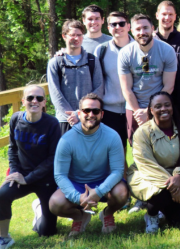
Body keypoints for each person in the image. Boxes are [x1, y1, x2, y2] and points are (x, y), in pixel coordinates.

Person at [49, 93, 129, 236]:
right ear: (79, 114)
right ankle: (79, 216)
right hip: (77, 184)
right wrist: (78, 198)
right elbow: (60, 175)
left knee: (122, 193)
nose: (91, 114)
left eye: (96, 111)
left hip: (104, 181)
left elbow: (117, 171)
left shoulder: (112, 136)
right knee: (55, 203)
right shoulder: (67, 139)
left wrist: (98, 192)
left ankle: (107, 213)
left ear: (102, 114)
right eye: (86, 110)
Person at [0, 86, 62, 249]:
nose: (34, 101)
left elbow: (53, 158)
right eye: (30, 98)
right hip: (20, 175)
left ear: (44, 102)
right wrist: (15, 172)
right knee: (1, 196)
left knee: (47, 232)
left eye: (39, 98)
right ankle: (4, 238)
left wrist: (28, 179)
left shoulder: (52, 124)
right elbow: (12, 148)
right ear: (23, 101)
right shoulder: (16, 119)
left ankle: (39, 208)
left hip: (44, 179)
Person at [128, 91, 180, 233]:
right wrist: (173, 186)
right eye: (158, 106)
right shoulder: (142, 132)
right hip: (146, 176)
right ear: (151, 110)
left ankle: (164, 209)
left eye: (167, 105)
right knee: (159, 193)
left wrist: (179, 177)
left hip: (176, 179)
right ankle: (152, 215)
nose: (163, 109)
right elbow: (146, 165)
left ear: (172, 107)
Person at [118, 14, 178, 143]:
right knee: (138, 149)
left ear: (152, 29)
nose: (142, 32)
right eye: (138, 29)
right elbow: (126, 88)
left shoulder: (167, 50)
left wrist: (150, 111)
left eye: (145, 28)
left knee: (164, 147)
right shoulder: (125, 53)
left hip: (161, 107)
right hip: (135, 108)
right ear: (132, 31)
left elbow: (169, 86)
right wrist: (139, 113)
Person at [47, 19, 104, 134]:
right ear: (64, 36)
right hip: (65, 120)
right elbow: (55, 93)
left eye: (79, 35)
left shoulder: (92, 60)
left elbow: (99, 88)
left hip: (89, 119)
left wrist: (81, 113)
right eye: (72, 35)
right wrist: (72, 115)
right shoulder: (55, 62)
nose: (76, 38)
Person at [95, 11, 133, 151]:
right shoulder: (101, 50)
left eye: (121, 23)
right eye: (113, 24)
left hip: (135, 109)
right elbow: (97, 81)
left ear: (128, 26)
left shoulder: (139, 48)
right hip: (110, 112)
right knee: (115, 153)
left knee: (142, 152)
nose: (118, 27)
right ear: (108, 28)